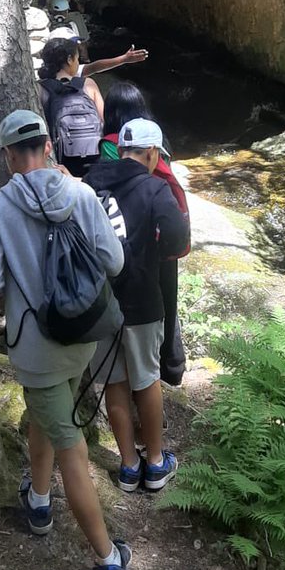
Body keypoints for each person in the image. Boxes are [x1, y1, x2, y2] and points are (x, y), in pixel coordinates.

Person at [0, 111, 133, 570]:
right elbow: (115, 260)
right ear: (48, 145)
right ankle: (40, 503)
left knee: (71, 446)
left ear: (7, 156)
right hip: (81, 337)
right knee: (45, 418)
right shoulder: (82, 194)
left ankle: (108, 562)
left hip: (35, 346)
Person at [84, 118, 190, 494]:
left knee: (114, 382)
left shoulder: (90, 182)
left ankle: (129, 466)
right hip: (143, 300)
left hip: (98, 303)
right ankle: (157, 463)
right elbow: (178, 242)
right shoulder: (155, 188)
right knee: (146, 380)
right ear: (149, 153)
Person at [100, 83, 190, 387]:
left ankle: (134, 378)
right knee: (167, 303)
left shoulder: (110, 148)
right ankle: (172, 367)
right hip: (161, 245)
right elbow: (177, 233)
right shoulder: (156, 143)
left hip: (127, 245)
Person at [38, 37, 104, 177]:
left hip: (61, 164)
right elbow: (104, 120)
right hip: (95, 160)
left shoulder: (40, 89)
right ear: (69, 59)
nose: (78, 63)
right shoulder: (88, 84)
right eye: (77, 59)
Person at [43, 28, 149, 80]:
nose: (78, 55)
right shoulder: (72, 74)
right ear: (69, 59)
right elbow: (94, 67)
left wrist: (124, 59)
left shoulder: (50, 77)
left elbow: (95, 66)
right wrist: (124, 59)